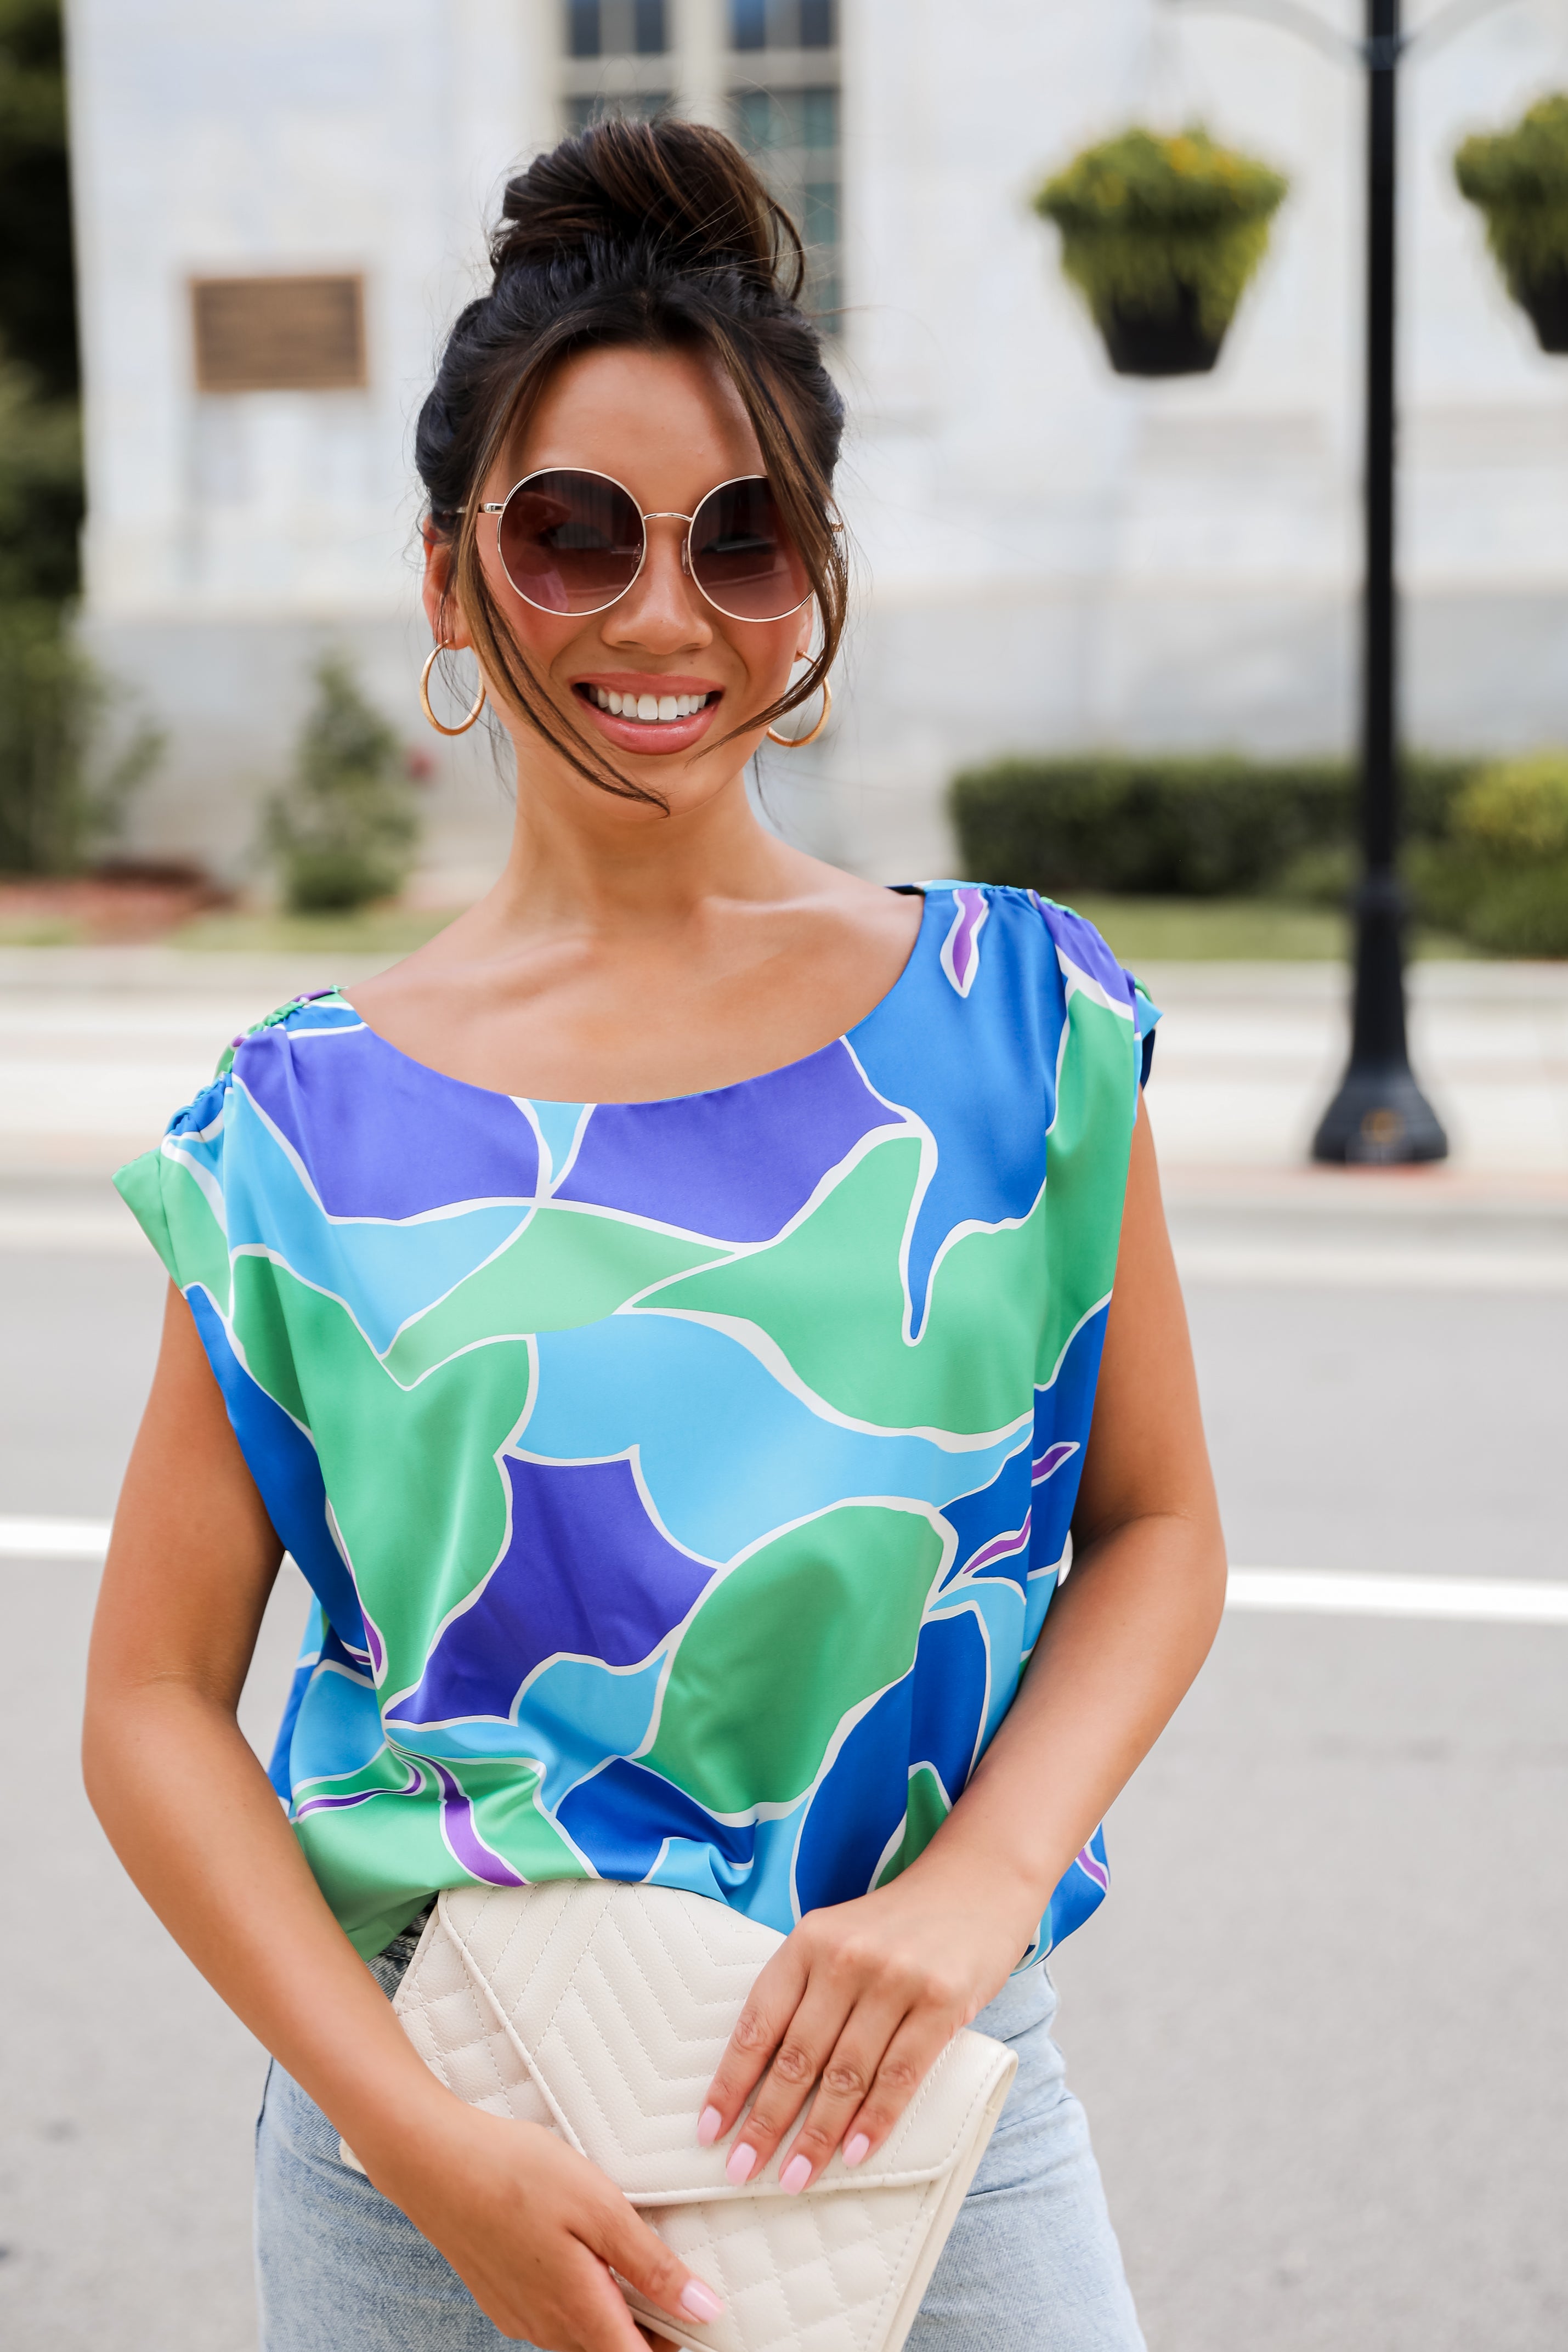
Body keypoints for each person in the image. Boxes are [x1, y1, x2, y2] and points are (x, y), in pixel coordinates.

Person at [83, 120, 1226, 2352]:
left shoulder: (1015, 1026)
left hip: (917, 2107)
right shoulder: (294, 1131)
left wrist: (978, 1890)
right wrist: (414, 2140)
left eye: (745, 538)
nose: (662, 615)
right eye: (570, 536)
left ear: (814, 576)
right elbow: (146, 1702)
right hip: (441, 2146)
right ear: (446, 580)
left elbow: (1159, 1523)